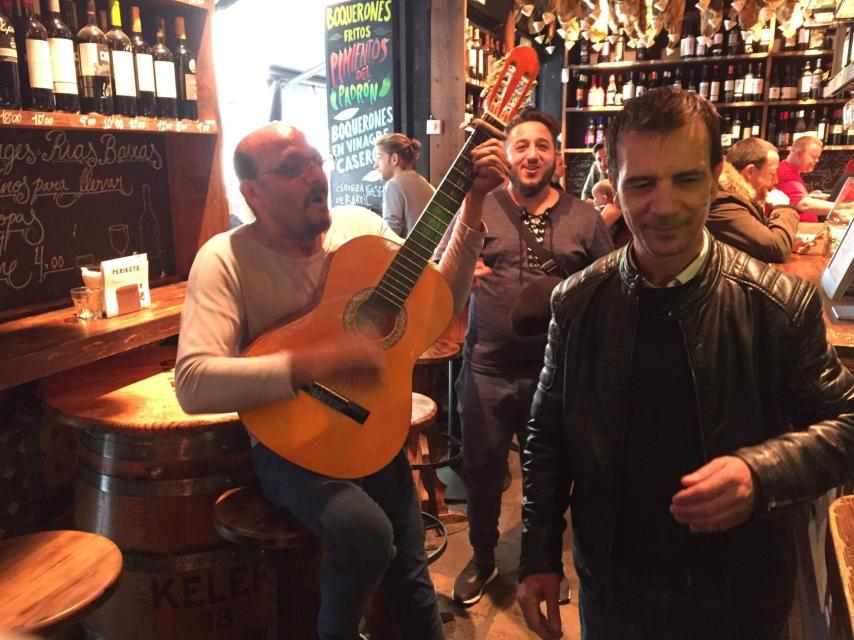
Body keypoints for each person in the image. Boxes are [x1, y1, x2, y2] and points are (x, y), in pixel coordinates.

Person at [516, 87, 854, 640]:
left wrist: (761, 474)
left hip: (739, 598)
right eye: (642, 184)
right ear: (613, 182)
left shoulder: (775, 304)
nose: (665, 205)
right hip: (614, 587)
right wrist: (537, 555)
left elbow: (847, 424)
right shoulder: (577, 303)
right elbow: (547, 434)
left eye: (687, 179)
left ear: (717, 177)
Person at [174, 122, 510, 640]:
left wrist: (472, 204)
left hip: (374, 428)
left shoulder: (360, 229)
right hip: (292, 445)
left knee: (412, 575)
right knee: (366, 534)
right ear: (252, 193)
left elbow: (437, 301)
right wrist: (317, 363)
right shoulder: (225, 258)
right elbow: (193, 384)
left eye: (316, 160)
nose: (315, 175)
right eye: (292, 167)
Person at [442, 107, 613, 607]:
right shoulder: (479, 206)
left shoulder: (584, 218)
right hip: (487, 369)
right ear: (507, 155)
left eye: (542, 146)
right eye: (521, 146)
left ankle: (544, 563)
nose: (532, 155)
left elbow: (610, 286)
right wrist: (463, 272)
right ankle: (482, 556)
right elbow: (440, 276)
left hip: (557, 374)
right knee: (482, 472)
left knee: (551, 475)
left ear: (557, 158)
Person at [707, 137, 799, 263]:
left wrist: (787, 238)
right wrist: (782, 208)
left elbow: (767, 241)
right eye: (772, 174)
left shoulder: (736, 199)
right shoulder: (724, 204)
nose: (776, 180)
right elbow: (777, 250)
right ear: (750, 171)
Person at [375, 133, 436, 237]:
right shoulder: (426, 184)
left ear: (394, 159)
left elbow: (390, 236)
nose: (375, 165)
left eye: (379, 158)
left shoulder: (393, 185)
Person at [775, 135, 832, 222]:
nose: (817, 161)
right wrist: (841, 207)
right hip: (797, 229)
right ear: (798, 154)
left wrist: (808, 196)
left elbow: (792, 200)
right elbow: (803, 205)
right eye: (813, 157)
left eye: (818, 157)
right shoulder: (785, 172)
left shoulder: (792, 171)